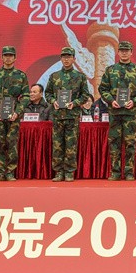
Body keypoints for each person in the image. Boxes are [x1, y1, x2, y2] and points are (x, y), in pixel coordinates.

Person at [99, 41, 136, 180]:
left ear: (131, 52)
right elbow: (103, 89)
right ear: (118, 52)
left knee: (130, 143)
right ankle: (115, 172)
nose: (124, 53)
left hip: (130, 113)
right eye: (122, 50)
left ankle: (129, 172)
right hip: (115, 112)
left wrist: (135, 101)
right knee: (114, 143)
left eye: (127, 50)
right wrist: (111, 100)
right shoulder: (110, 70)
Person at [45, 47, 91, 182]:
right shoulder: (54, 76)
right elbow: (48, 93)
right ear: (61, 59)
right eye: (64, 57)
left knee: (71, 145)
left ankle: (70, 172)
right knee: (57, 145)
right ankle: (59, 172)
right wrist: (53, 101)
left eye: (69, 57)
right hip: (58, 115)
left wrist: (75, 103)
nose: (66, 59)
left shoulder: (80, 77)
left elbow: (85, 95)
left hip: (72, 115)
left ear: (74, 59)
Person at [0, 46, 29, 181]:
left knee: (12, 142)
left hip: (14, 115)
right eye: (6, 55)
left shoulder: (21, 75)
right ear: (2, 57)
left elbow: (26, 96)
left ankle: (10, 172)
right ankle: (0, 172)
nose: (8, 58)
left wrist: (17, 112)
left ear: (15, 58)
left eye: (10, 55)